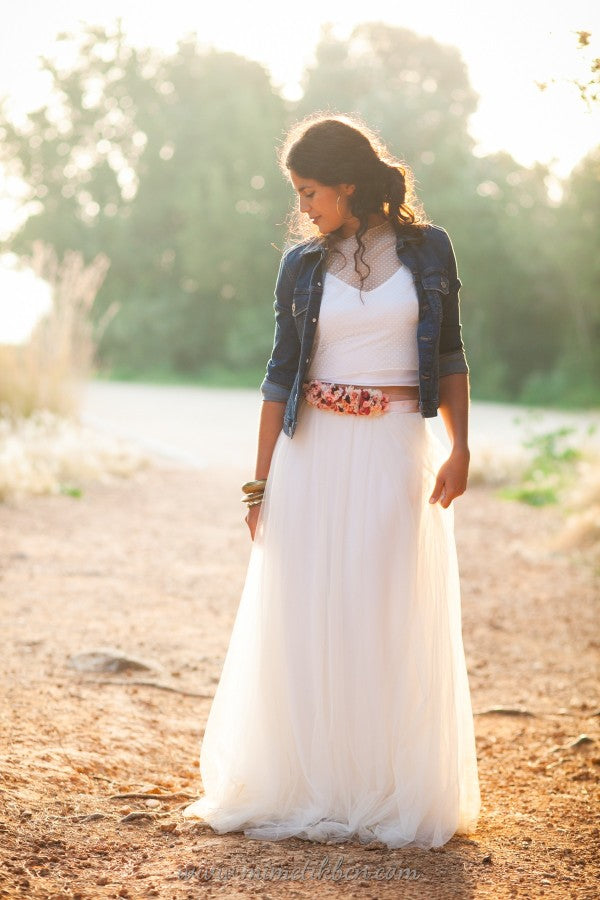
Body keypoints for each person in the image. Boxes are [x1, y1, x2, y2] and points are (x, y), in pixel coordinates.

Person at [182, 113, 481, 849]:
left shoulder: (429, 251)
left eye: (311, 191)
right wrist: (258, 487)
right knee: (310, 610)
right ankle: (310, 781)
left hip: (391, 448)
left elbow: (448, 353)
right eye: (299, 193)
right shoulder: (302, 266)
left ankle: (378, 785)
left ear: (348, 183)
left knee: (383, 607)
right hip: (311, 453)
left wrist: (461, 446)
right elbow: (280, 374)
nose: (304, 206)